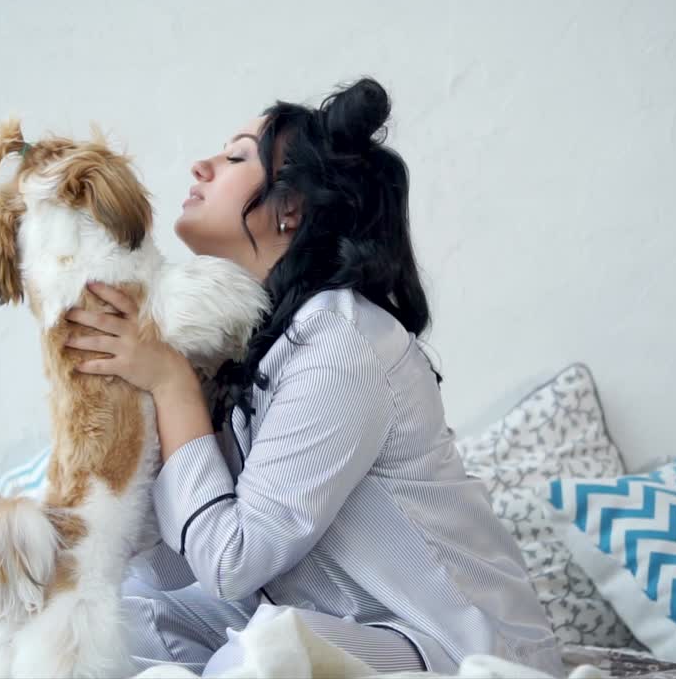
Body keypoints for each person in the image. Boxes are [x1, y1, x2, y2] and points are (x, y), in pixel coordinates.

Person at [62, 77, 564, 677]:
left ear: (291, 208)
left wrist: (171, 386)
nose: (200, 167)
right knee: (113, 623)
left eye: (234, 157)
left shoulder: (342, 342)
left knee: (267, 653)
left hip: (453, 643)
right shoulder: (245, 341)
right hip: (325, 620)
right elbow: (174, 565)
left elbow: (231, 563)